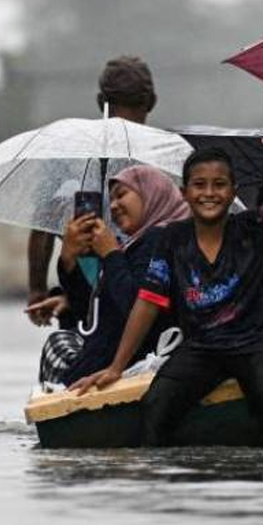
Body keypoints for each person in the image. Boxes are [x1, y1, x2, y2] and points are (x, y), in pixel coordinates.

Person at [70, 126, 263, 447]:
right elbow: (146, 303)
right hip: (203, 348)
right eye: (199, 185)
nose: (209, 193)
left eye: (219, 185)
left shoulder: (253, 226)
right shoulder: (172, 239)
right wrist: (116, 367)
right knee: (156, 408)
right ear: (184, 193)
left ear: (232, 191)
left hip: (258, 344)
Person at [25, 56, 157, 327]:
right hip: (141, 300)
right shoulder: (163, 159)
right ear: (151, 102)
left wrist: (36, 288)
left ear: (101, 103)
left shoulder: (67, 155)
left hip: (85, 296)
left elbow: (42, 224)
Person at [37, 165, 189, 386]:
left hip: (131, 361)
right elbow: (92, 315)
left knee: (57, 345)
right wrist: (68, 260)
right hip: (109, 355)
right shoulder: (135, 245)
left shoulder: (160, 240)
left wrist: (111, 254)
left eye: (121, 195)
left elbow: (136, 307)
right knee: (64, 338)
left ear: (151, 194)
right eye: (111, 200)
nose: (114, 206)